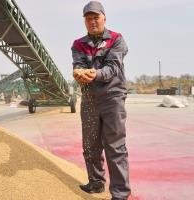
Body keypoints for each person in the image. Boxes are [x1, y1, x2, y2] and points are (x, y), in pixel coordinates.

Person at [71, 1, 131, 200]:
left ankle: (120, 194)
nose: (92, 21)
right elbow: (78, 64)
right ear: (84, 21)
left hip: (112, 98)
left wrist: (93, 74)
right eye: (88, 18)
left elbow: (113, 67)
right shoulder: (78, 44)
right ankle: (96, 183)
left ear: (104, 18)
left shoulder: (116, 39)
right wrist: (79, 73)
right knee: (90, 145)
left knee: (115, 147)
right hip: (89, 99)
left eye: (96, 17)